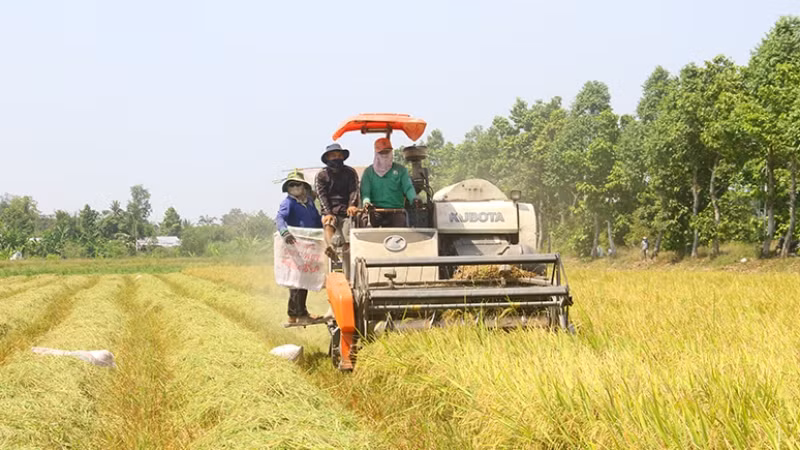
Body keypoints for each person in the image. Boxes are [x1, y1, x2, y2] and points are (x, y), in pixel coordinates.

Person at [275, 170, 324, 325]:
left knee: (305, 279)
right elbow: (280, 218)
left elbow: (316, 220)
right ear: (288, 188)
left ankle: (301, 313)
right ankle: (294, 314)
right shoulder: (288, 203)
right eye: (292, 185)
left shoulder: (309, 203)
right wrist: (284, 232)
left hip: (309, 246)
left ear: (304, 187)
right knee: (295, 280)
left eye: (298, 184)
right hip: (294, 246)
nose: (295, 187)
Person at [360, 137, 422, 227]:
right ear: (376, 154)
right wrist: (366, 203)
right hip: (375, 210)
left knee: (401, 224)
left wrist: (414, 199)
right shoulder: (368, 173)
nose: (385, 156)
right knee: (367, 223)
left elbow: (408, 187)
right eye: (382, 153)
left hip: (396, 210)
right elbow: (365, 193)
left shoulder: (401, 170)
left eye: (387, 152)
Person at [314, 143, 359, 262]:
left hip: (347, 211)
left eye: (339, 155)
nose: (337, 158)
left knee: (348, 240)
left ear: (343, 157)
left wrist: (352, 205)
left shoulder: (350, 172)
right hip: (330, 210)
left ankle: (348, 268)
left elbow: (354, 191)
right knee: (328, 221)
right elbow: (321, 195)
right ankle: (330, 247)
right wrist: (328, 212)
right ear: (328, 158)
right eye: (333, 155)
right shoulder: (321, 175)